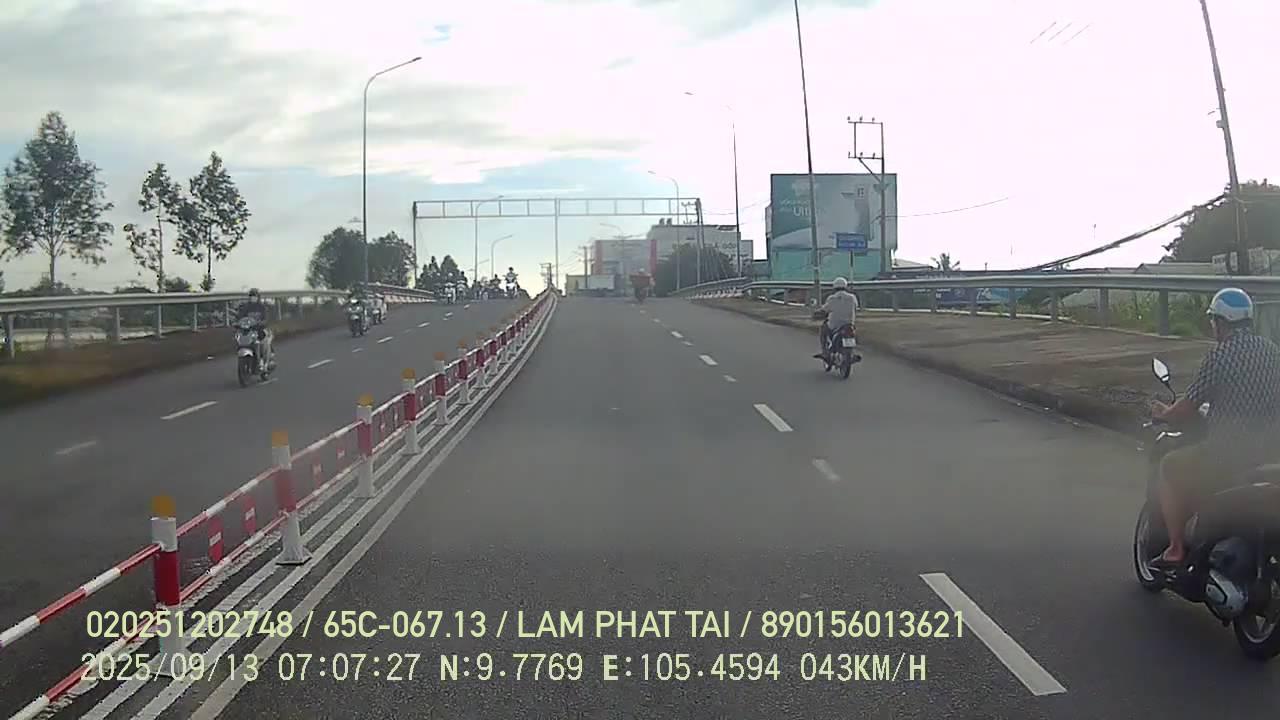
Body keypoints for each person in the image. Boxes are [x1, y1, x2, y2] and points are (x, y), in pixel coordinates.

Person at [1150, 287, 1280, 567]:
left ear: (1221, 322)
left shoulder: (1219, 356)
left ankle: (1175, 549)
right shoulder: (1272, 351)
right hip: (1271, 452)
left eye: (1213, 320)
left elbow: (1188, 406)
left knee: (1169, 465)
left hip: (1227, 454)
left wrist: (1165, 413)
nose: (1213, 326)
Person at [812, 277, 861, 361]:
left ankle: (825, 352)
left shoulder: (832, 298)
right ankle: (852, 353)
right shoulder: (852, 297)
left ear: (834, 287)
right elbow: (856, 307)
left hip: (834, 325)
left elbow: (825, 310)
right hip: (849, 324)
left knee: (823, 330)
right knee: (852, 334)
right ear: (845, 286)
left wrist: (816, 313)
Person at [234, 288, 275, 369]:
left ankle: (263, 360)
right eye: (251, 296)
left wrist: (262, 322)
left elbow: (266, 318)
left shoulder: (262, 307)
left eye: (254, 296)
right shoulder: (246, 307)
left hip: (260, 329)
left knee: (263, 341)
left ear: (258, 297)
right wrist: (237, 323)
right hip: (249, 330)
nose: (252, 298)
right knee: (240, 338)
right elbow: (240, 317)